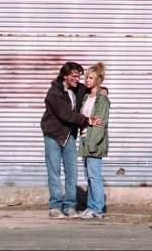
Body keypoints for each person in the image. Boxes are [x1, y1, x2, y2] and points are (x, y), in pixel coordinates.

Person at [40, 61, 100, 219]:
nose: (77, 79)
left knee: (72, 173)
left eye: (79, 76)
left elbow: (93, 88)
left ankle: (70, 206)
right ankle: (55, 207)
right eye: (74, 76)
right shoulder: (54, 93)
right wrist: (88, 120)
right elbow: (66, 115)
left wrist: (103, 92)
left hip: (70, 136)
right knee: (54, 172)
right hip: (53, 135)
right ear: (65, 76)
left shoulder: (78, 89)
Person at [79, 62, 110, 219]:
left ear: (98, 80)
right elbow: (85, 119)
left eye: (90, 78)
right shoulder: (86, 97)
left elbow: (100, 124)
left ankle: (97, 208)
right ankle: (91, 207)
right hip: (85, 139)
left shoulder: (102, 99)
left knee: (94, 175)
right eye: (86, 77)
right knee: (89, 176)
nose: (87, 80)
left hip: (94, 142)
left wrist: (92, 144)